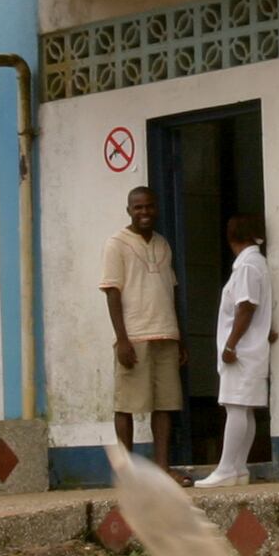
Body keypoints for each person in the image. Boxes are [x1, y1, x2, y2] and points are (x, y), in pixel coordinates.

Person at [99, 185, 183, 468]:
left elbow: (171, 290)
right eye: (138, 207)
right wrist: (122, 339)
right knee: (127, 405)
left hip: (166, 334)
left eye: (149, 206)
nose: (144, 212)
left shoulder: (163, 244)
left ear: (156, 208)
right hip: (134, 337)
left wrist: (180, 337)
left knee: (165, 405)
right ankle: (128, 473)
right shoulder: (116, 243)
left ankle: (162, 469)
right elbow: (113, 292)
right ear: (129, 210)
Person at [198, 215, 274, 487]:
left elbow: (246, 307)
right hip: (253, 348)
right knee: (245, 408)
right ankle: (239, 468)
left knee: (235, 408)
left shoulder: (246, 267)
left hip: (241, 350)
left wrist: (230, 344)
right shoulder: (258, 263)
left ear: (232, 238)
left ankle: (226, 468)